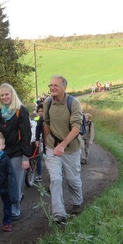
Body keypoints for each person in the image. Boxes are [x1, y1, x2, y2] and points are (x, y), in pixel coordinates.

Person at [43, 75, 84, 224]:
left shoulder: (73, 103)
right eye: (50, 85)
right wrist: (47, 143)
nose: (52, 88)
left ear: (64, 87)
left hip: (71, 148)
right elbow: (46, 123)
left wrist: (63, 145)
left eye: (56, 85)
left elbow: (76, 128)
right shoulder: (47, 103)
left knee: (73, 180)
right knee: (55, 179)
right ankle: (59, 213)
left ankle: (77, 203)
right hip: (52, 148)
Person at [0, 83, 32, 221]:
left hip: (18, 150)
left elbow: (26, 134)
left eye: (7, 94)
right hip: (2, 151)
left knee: (16, 180)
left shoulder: (21, 111)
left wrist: (26, 156)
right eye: (2, 95)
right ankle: (14, 201)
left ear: (12, 94)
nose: (4, 97)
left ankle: (15, 209)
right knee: (5, 181)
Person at [33, 104, 45, 182]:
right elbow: (37, 129)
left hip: (48, 141)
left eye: (42, 111)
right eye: (39, 111)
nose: (40, 113)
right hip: (40, 140)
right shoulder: (36, 119)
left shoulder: (47, 118)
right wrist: (37, 139)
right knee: (38, 157)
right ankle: (39, 175)